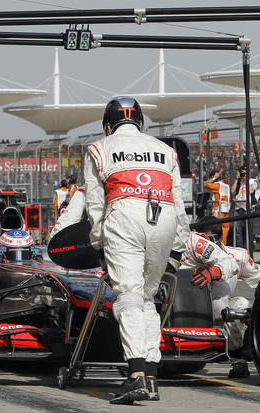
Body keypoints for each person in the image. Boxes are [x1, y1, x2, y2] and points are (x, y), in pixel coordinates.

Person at [84, 96, 191, 404]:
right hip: (164, 216)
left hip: (124, 213)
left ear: (108, 126)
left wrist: (98, 242)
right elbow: (180, 204)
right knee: (147, 297)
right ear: (140, 122)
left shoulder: (98, 148)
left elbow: (94, 204)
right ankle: (152, 375)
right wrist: (179, 245)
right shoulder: (165, 150)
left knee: (128, 294)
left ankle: (135, 375)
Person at [180, 217, 260, 378]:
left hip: (216, 308)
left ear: (216, 238)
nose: (203, 242)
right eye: (199, 237)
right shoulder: (186, 248)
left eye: (207, 239)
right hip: (185, 307)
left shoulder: (237, 256)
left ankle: (237, 356)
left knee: (236, 307)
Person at [231, 165, 257, 249]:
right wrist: (237, 179)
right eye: (242, 173)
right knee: (238, 230)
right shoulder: (238, 182)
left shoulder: (252, 181)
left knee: (248, 229)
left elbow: (251, 191)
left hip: (247, 207)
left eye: (245, 173)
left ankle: (248, 247)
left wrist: (246, 181)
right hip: (238, 207)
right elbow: (232, 190)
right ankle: (240, 247)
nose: (243, 175)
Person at [203, 170, 231, 245]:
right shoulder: (226, 186)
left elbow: (206, 185)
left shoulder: (217, 185)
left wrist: (213, 179)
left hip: (218, 211)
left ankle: (217, 246)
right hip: (225, 211)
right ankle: (223, 245)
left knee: (215, 228)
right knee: (225, 229)